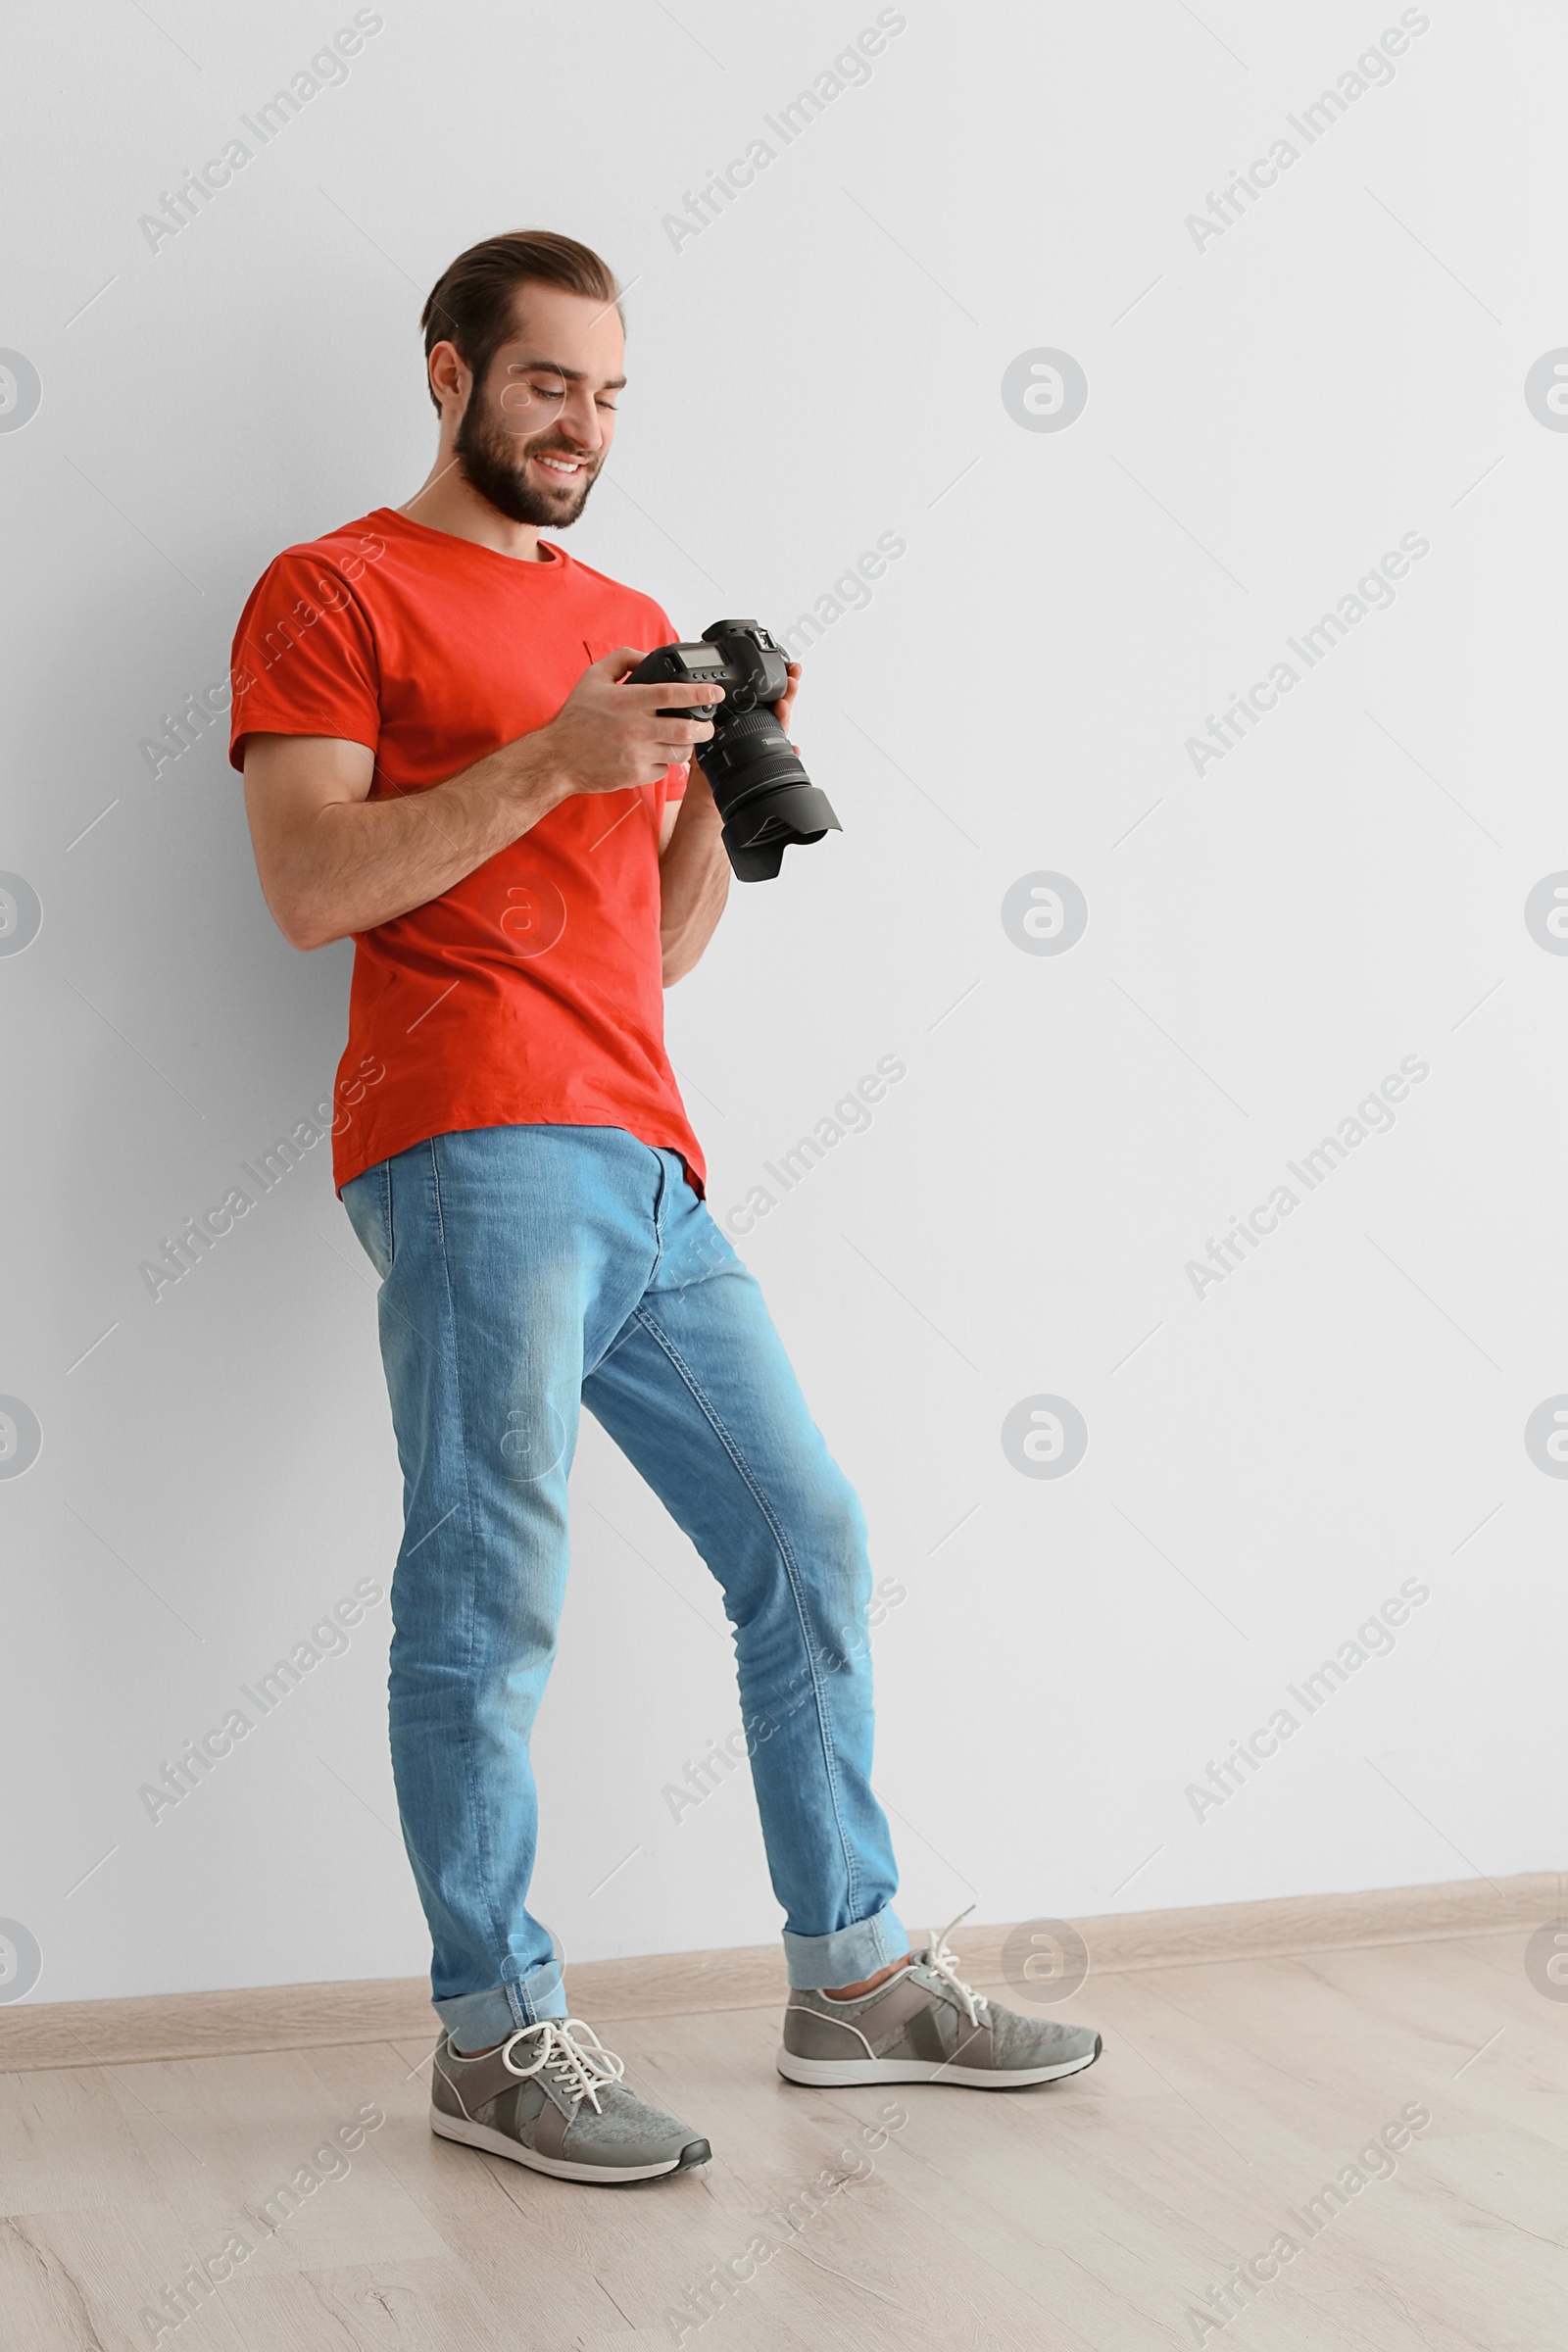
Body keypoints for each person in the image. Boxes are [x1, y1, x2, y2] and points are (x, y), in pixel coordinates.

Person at [232, 229, 1101, 2186]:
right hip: (468, 1144)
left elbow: (659, 949)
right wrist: (555, 753)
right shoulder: (333, 586)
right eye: (550, 385)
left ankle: (853, 1979)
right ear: (448, 373)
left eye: (612, 396)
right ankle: (490, 2031)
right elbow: (306, 884)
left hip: (644, 1157)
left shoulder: (620, 613)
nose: (584, 427)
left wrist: (702, 786)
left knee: (805, 1534)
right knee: (489, 1585)